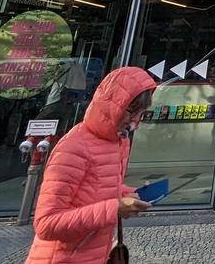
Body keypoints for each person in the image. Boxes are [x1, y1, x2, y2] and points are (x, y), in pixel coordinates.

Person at [26, 66, 156, 264]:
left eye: (141, 112)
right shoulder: (74, 147)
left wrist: (131, 193)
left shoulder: (119, 142)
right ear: (113, 104)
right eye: (131, 110)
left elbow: (96, 187)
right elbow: (46, 224)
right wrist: (115, 209)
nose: (135, 119)